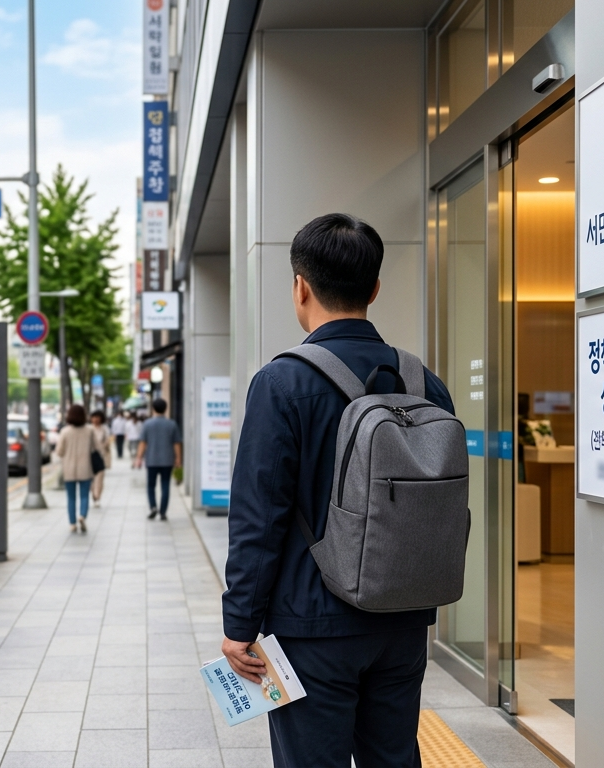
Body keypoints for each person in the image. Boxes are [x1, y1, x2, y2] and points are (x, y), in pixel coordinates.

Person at [221, 213, 455, 768]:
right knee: (394, 757)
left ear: (300, 287)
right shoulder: (424, 383)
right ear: (374, 288)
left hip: (311, 625)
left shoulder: (281, 382)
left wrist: (239, 625)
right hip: (402, 615)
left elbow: (259, 514)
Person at [133, 399, 181, 520]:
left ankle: (153, 506)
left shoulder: (147, 424)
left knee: (151, 486)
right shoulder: (172, 424)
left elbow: (143, 443)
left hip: (152, 459)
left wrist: (138, 458)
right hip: (167, 460)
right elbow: (177, 443)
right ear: (165, 408)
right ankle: (163, 512)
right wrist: (178, 459)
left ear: (153, 409)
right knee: (165, 485)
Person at [54, 404, 96, 533]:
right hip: (85, 468)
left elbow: (59, 451)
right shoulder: (89, 431)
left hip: (69, 469)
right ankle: (82, 516)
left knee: (71, 497)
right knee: (84, 496)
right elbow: (94, 448)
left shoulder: (65, 431)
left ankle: (72, 524)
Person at [88, 410, 112, 507]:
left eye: (98, 417)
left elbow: (107, 441)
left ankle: (97, 496)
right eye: (94, 417)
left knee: (100, 478)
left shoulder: (104, 429)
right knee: (91, 478)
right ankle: (94, 494)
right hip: (89, 456)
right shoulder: (89, 429)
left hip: (101, 455)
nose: (96, 419)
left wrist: (102, 447)